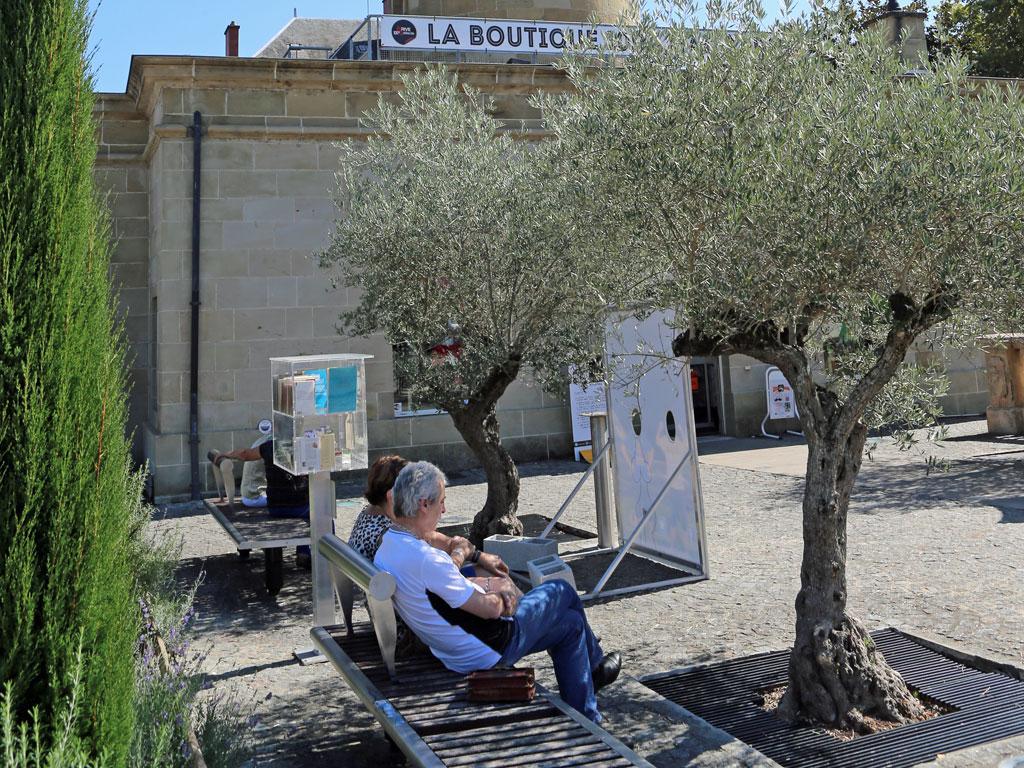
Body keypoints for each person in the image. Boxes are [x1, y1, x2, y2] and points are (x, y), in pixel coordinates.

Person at [374, 461, 621, 722]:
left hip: (451, 649)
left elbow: (443, 588)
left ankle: (588, 718)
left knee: (571, 626)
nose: (444, 510)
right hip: (485, 648)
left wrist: (484, 580)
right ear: (424, 504)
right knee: (560, 590)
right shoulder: (426, 560)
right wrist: (504, 592)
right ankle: (595, 667)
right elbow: (489, 609)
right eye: (441, 502)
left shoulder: (389, 544)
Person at [349, 454, 508, 576]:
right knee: (491, 577)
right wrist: (461, 555)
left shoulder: (373, 516)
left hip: (398, 597)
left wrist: (474, 554)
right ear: (392, 496)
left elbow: (432, 538)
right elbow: (444, 575)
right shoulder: (388, 536)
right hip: (412, 607)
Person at [212, 439, 312, 566]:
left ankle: (304, 552)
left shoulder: (269, 446)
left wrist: (226, 454)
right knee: (323, 514)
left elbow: (244, 454)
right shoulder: (303, 446)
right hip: (300, 507)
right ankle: (312, 553)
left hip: (275, 507)